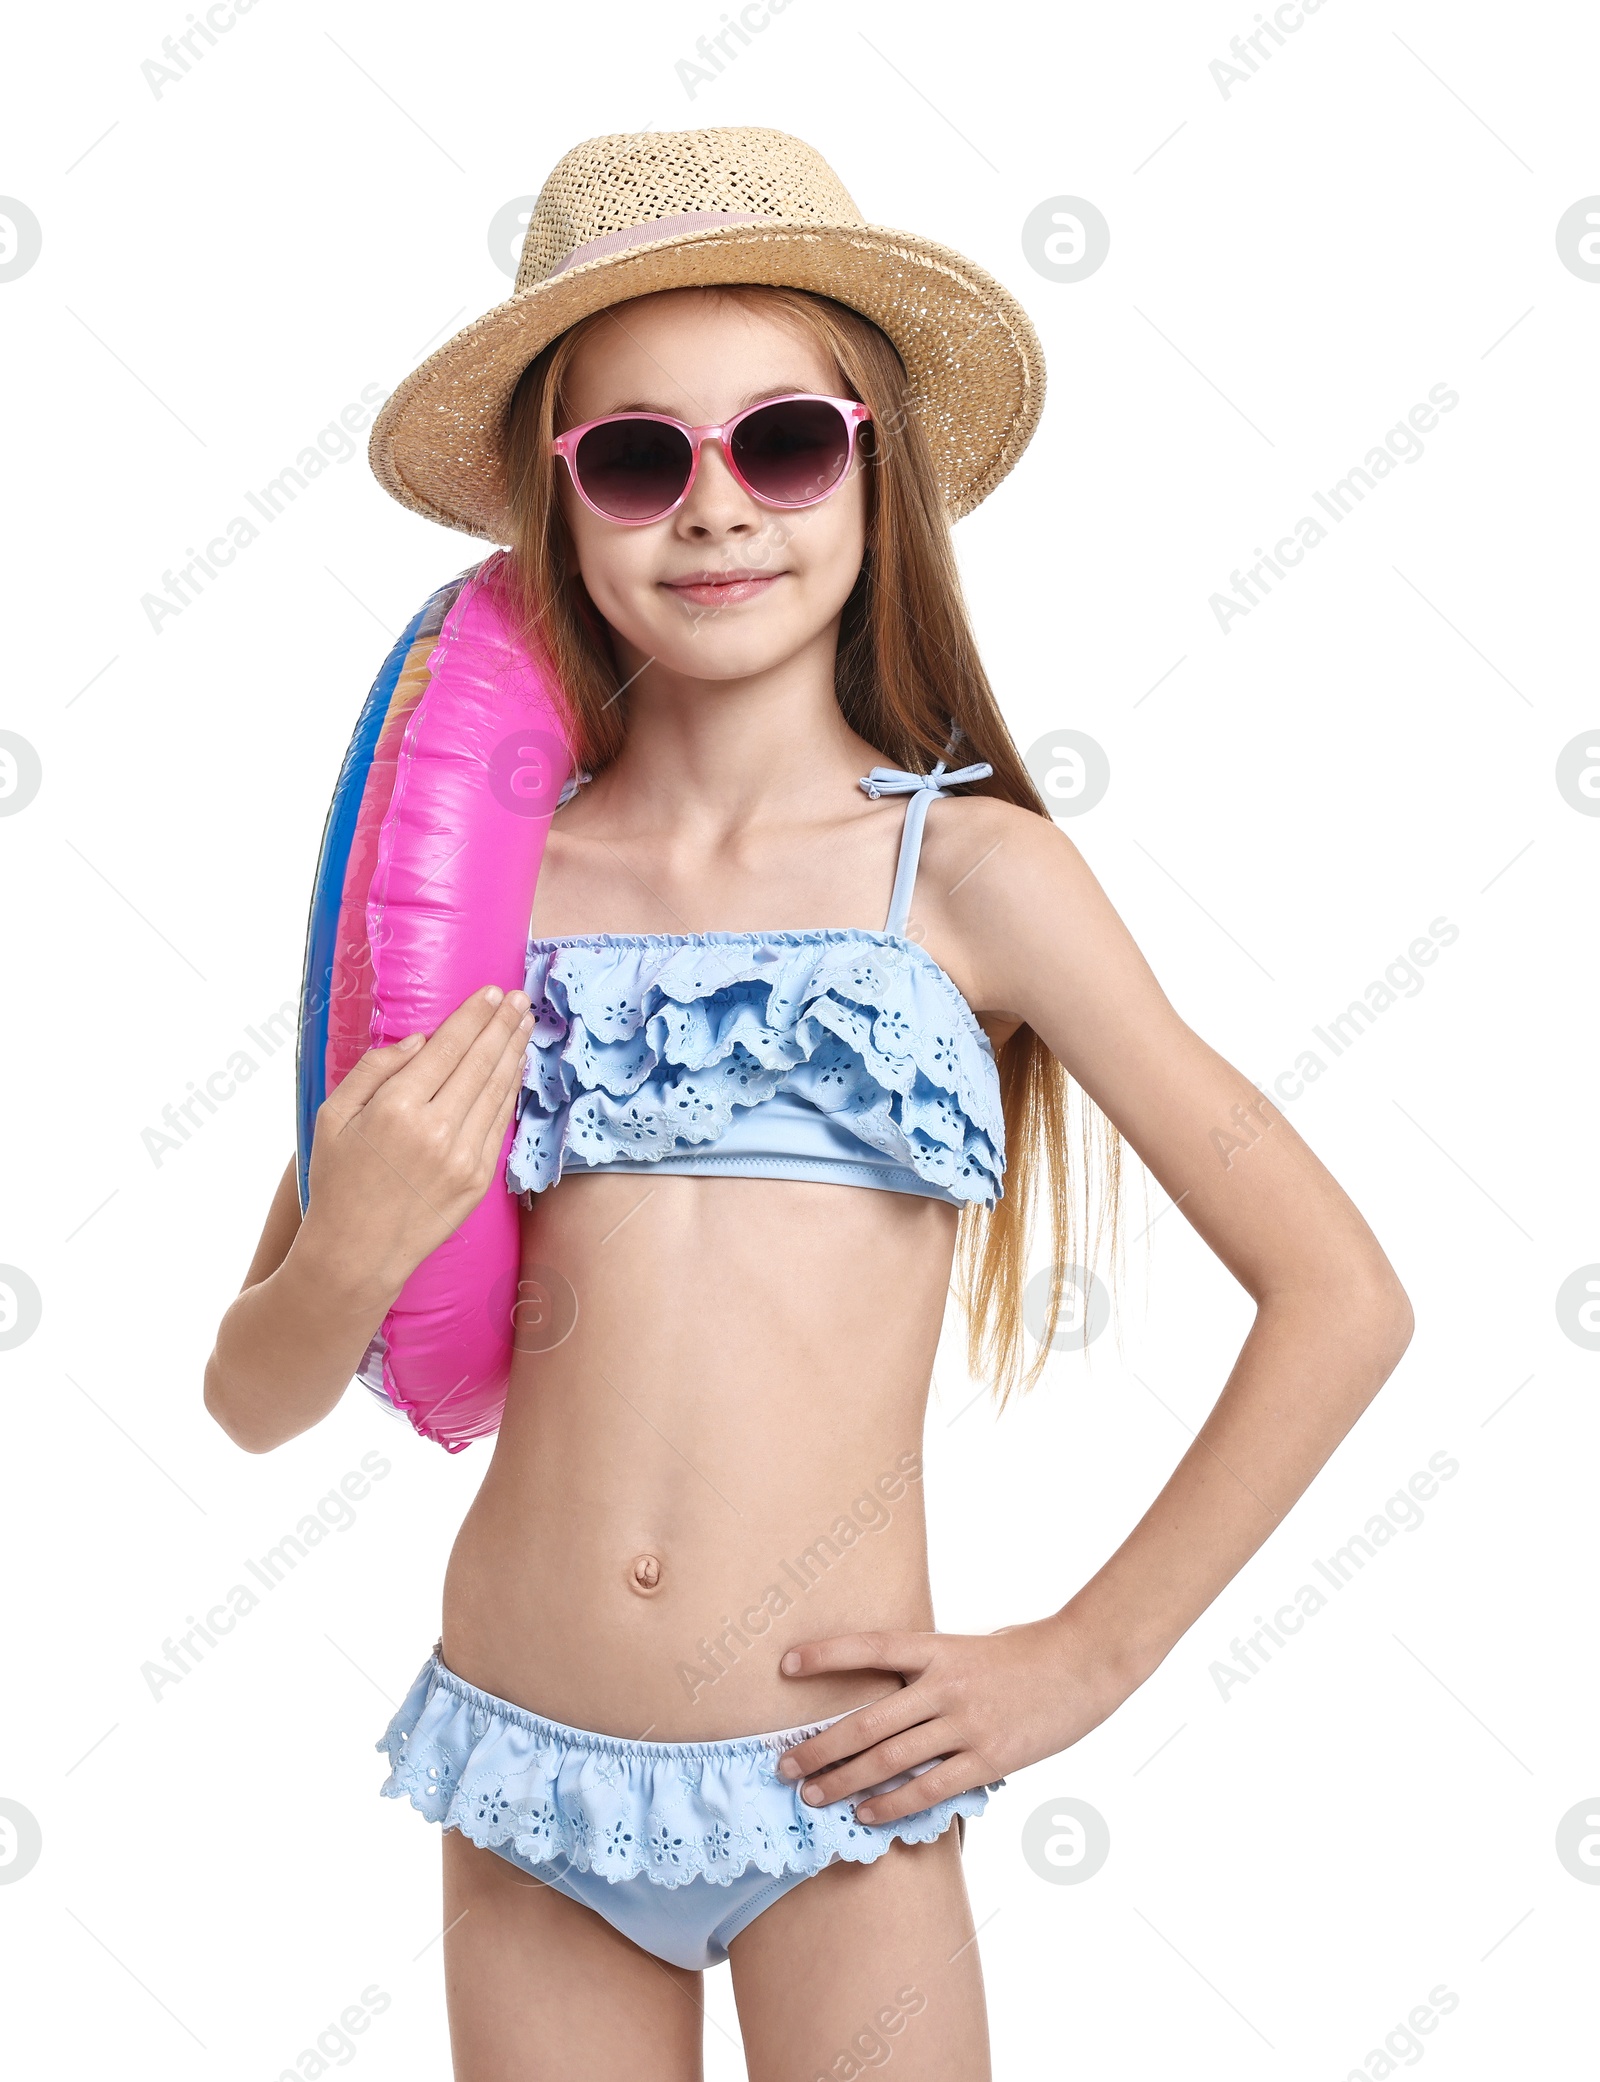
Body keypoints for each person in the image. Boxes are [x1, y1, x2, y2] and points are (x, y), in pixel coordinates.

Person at [203, 127, 1413, 2081]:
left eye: (776, 442)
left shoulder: (973, 880)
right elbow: (247, 1397)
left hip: (841, 1788)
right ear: (552, 506)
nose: (711, 513)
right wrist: (345, 1244)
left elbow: (1338, 1292)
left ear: (868, 466)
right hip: (524, 1776)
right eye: (630, 459)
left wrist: (1079, 1661)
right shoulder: (475, 897)